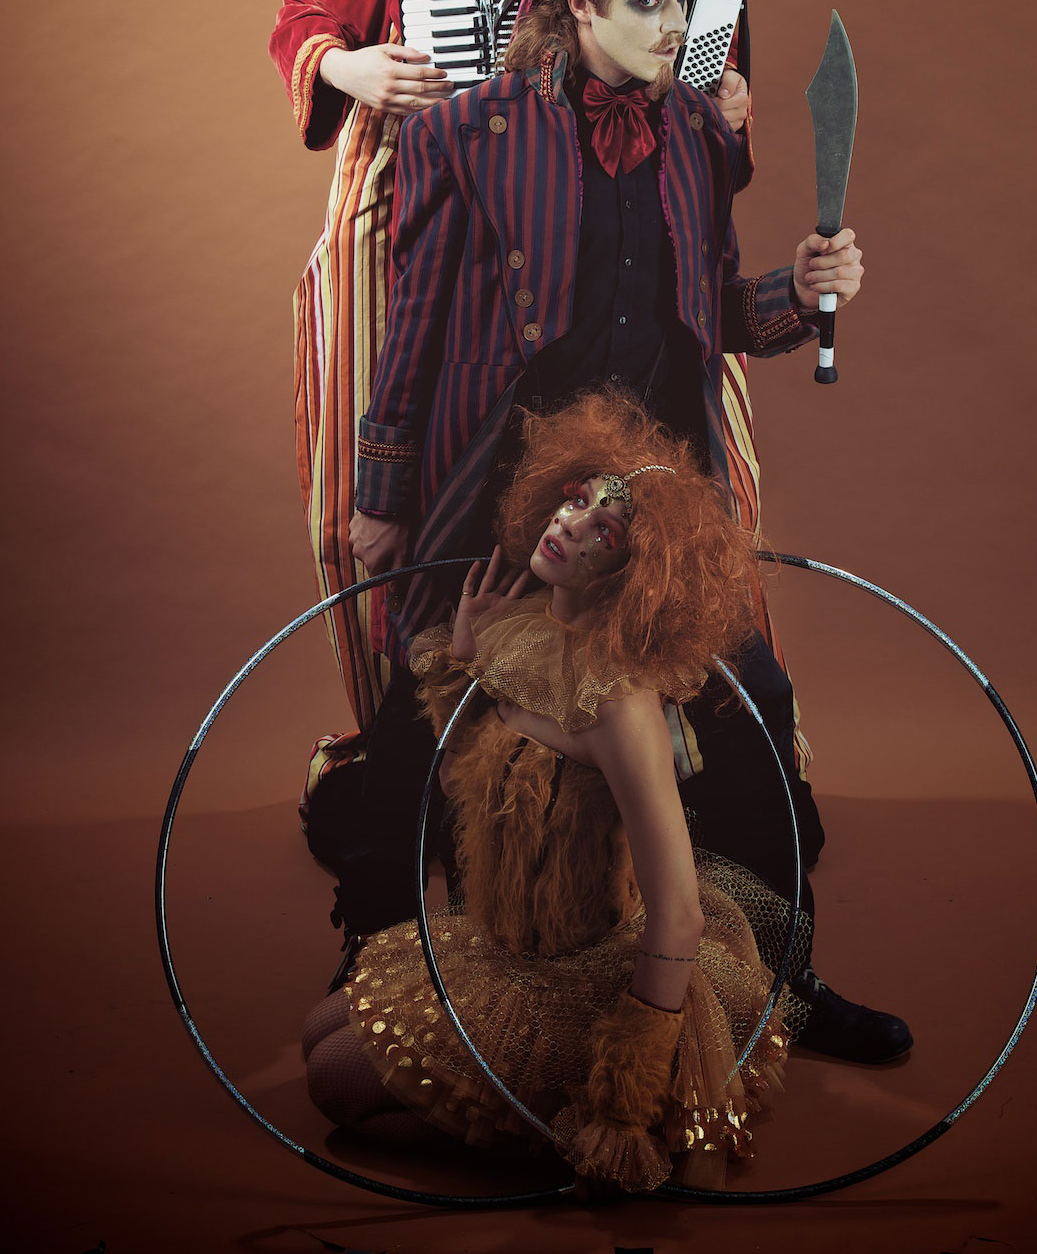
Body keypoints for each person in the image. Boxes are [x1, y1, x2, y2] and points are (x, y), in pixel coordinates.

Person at [344, 0, 911, 1063]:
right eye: (647, 2)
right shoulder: (464, 137)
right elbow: (415, 330)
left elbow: (709, 311)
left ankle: (782, 982)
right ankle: (382, 973)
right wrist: (382, 495)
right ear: (577, 6)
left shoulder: (696, 134)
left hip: (652, 503)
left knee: (753, 714)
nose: (675, 26)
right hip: (499, 498)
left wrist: (801, 297)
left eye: (681, 0)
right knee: (424, 730)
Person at [270, 0, 751, 737]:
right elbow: (302, 16)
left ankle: (670, 727)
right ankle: (426, 728)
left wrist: (722, 100)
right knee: (420, 446)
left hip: (595, 229)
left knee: (674, 439)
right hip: (451, 213)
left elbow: (691, 44)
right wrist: (350, 68)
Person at [302, 393, 810, 1194]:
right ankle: (516, 1115)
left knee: (334, 1083)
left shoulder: (621, 701)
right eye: (576, 501)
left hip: (583, 978)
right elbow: (474, 785)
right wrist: (467, 653)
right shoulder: (525, 626)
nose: (570, 525)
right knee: (320, 1032)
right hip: (505, 948)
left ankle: (558, 1134)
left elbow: (679, 911)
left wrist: (625, 1095)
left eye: (604, 530)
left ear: (636, 572)